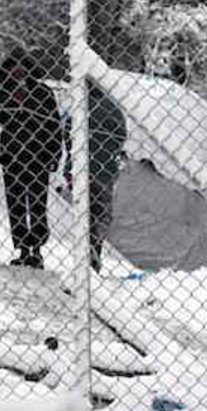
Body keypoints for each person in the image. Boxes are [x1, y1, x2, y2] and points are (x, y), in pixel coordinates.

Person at [0, 49, 63, 269]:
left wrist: (54, 153)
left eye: (23, 71)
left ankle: (37, 249)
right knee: (16, 204)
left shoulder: (43, 93)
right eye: (14, 71)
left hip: (38, 157)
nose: (19, 76)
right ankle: (23, 248)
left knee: (37, 205)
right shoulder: (4, 92)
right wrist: (14, 101)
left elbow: (54, 124)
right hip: (13, 157)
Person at [63, 81, 128, 273]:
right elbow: (121, 136)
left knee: (82, 210)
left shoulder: (77, 107)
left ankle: (84, 252)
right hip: (104, 170)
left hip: (78, 166)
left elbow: (66, 134)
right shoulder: (112, 108)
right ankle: (95, 252)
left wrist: (71, 159)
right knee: (100, 211)